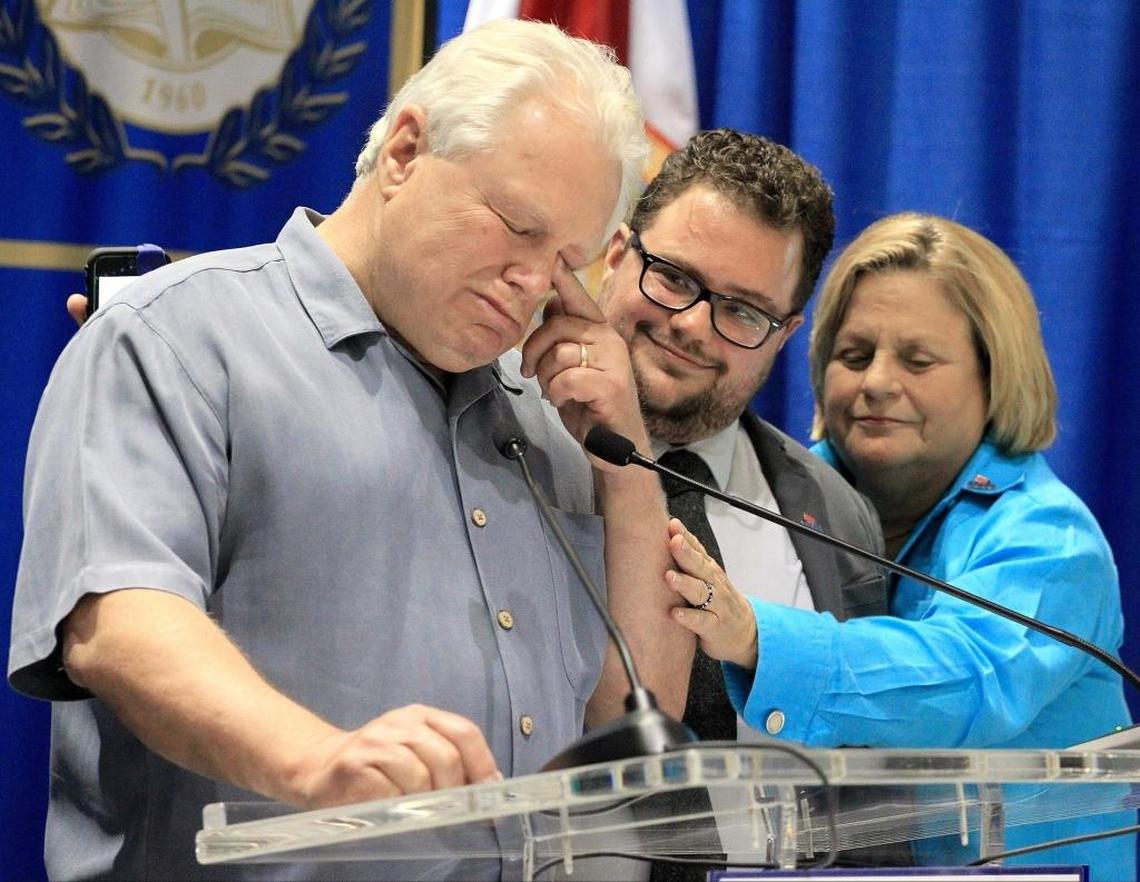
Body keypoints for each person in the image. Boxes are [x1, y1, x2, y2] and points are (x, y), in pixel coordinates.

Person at [8, 20, 688, 881]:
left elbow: (634, 720)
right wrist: (314, 761)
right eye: (518, 227)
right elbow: (118, 626)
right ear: (405, 151)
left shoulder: (552, 418)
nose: (535, 285)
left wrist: (623, 476)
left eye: (567, 262)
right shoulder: (177, 339)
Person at [663, 212, 1135, 878]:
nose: (877, 382)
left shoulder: (1050, 539)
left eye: (918, 360)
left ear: (995, 375)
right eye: (854, 356)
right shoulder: (769, 490)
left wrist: (757, 639)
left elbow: (965, 677)